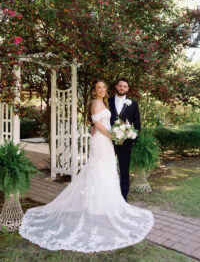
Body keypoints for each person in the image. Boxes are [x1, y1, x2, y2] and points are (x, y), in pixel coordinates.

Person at [19, 79, 154, 253]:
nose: (120, 88)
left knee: (121, 172)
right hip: (106, 140)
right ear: (114, 88)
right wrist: (102, 131)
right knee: (101, 169)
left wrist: (130, 139)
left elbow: (136, 124)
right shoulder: (107, 101)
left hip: (122, 143)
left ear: (128, 88)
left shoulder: (128, 103)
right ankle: (100, 204)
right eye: (101, 87)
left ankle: (121, 201)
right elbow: (97, 121)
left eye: (125, 86)